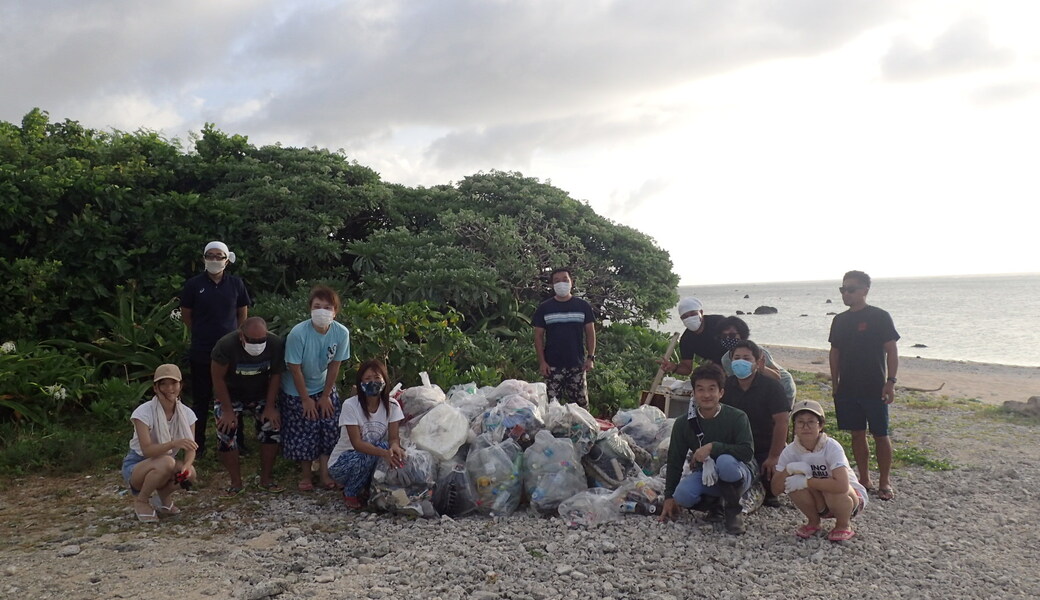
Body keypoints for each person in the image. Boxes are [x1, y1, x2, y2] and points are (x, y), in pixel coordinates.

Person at [829, 270, 899, 501]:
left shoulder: (879, 317)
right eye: (843, 289)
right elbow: (835, 352)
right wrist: (835, 382)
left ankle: (884, 482)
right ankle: (864, 479)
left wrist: (891, 382)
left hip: (875, 386)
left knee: (881, 434)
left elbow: (891, 350)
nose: (845, 293)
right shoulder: (839, 320)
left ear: (864, 291)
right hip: (848, 387)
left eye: (851, 289)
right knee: (857, 434)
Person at [660, 364, 755, 535]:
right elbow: (675, 460)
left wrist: (713, 447)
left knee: (724, 462)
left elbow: (747, 452)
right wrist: (668, 496)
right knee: (682, 495)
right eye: (700, 389)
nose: (706, 395)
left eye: (712, 389)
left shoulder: (737, 417)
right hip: (707, 474)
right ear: (693, 393)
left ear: (721, 392)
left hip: (738, 472)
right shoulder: (684, 423)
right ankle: (716, 504)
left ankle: (734, 511)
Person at [180, 240, 250, 456]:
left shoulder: (236, 284)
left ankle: (238, 441)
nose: (214, 260)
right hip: (201, 350)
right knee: (201, 399)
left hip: (230, 351)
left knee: (233, 397)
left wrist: (237, 335)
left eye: (218, 256)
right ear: (204, 259)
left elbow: (242, 312)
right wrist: (201, 332)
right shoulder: (193, 284)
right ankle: (198, 444)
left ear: (226, 260)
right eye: (209, 255)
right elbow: (186, 314)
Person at [279, 285, 350, 491]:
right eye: (317, 306)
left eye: (327, 307)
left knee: (329, 427)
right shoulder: (298, 333)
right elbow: (294, 368)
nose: (322, 311)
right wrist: (306, 399)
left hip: (323, 384)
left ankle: (325, 473)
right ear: (310, 309)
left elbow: (335, 365)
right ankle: (306, 474)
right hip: (297, 388)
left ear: (335, 311)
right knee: (305, 429)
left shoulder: (341, 333)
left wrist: (326, 395)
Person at [771, 400, 868, 542]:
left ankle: (843, 524)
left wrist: (807, 481)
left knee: (831, 488)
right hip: (819, 499)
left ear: (820, 425)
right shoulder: (789, 452)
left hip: (849, 499)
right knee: (792, 484)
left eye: (811, 422)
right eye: (800, 422)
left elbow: (841, 485)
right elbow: (775, 489)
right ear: (795, 427)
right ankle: (813, 522)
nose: (806, 427)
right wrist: (788, 470)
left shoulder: (832, 447)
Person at [211, 316, 286, 494]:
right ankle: (235, 482)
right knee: (226, 432)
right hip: (230, 394)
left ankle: (266, 478)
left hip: (261, 393)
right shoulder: (225, 345)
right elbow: (217, 378)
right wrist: (228, 411)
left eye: (261, 340)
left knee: (272, 427)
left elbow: (276, 375)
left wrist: (270, 406)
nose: (257, 344)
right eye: (252, 340)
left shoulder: (275, 344)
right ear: (241, 336)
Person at [121, 364, 198, 523]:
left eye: (173, 383)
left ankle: (163, 497)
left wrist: (187, 465)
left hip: (165, 462)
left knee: (191, 474)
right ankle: (141, 501)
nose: (169, 388)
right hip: (138, 464)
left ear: (180, 386)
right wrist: (173, 443)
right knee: (166, 462)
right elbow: (147, 450)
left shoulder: (187, 414)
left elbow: (191, 448)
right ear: (156, 388)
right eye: (163, 383)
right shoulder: (143, 412)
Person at [328, 359, 406, 509]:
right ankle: (350, 493)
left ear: (384, 380)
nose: (373, 382)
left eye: (377, 378)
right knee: (374, 451)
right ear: (360, 382)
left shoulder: (392, 406)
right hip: (342, 462)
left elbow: (393, 438)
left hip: (369, 455)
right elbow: (357, 444)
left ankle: (370, 489)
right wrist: (384, 453)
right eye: (367, 379)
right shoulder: (351, 405)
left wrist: (395, 448)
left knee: (389, 450)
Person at [722, 340, 791, 508]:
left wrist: (774, 456)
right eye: (737, 357)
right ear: (731, 362)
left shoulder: (772, 387)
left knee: (772, 485)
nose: (741, 361)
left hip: (764, 448)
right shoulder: (726, 386)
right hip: (736, 446)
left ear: (758, 362)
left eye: (746, 358)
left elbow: (782, 422)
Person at [532, 268, 596, 408]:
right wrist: (542, 362)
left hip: (577, 365)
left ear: (571, 282)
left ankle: (583, 430)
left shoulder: (583, 306)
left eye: (565, 280)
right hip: (552, 367)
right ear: (552, 285)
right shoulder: (544, 308)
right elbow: (538, 336)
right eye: (557, 281)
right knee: (550, 407)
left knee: (581, 407)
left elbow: (590, 333)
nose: (561, 283)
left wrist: (590, 358)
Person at [717, 316, 796, 402]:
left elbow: (777, 376)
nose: (728, 338)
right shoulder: (725, 359)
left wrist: (760, 368)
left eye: (732, 335)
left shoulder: (758, 351)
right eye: (724, 336)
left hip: (783, 386)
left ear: (742, 335)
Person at [659, 297, 726, 376]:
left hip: (737, 360)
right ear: (681, 319)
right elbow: (687, 369)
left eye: (693, 314)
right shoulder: (686, 340)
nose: (689, 318)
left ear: (701, 312)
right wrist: (674, 367)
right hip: (718, 371)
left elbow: (739, 337)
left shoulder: (719, 322)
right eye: (685, 316)